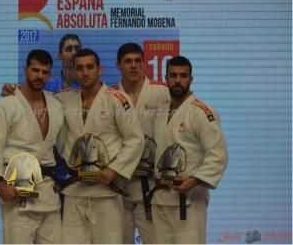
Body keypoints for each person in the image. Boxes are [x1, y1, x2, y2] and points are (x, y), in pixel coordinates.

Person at [56, 48, 145, 243]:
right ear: (72, 72)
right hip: (74, 190)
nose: (85, 72)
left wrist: (113, 170)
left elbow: (135, 140)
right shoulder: (64, 99)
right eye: (79, 68)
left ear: (100, 69)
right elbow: (36, 99)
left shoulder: (117, 99)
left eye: (90, 67)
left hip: (106, 191)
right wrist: (14, 90)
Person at [0, 49, 64, 244]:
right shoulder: (5, 105)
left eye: (45, 72)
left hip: (48, 192)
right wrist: (0, 184)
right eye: (35, 70)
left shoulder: (55, 104)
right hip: (16, 189)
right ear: (25, 69)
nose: (39, 76)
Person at [151, 55, 228, 244]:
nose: (178, 81)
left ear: (191, 80)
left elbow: (218, 155)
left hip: (189, 201)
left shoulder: (201, 112)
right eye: (173, 75)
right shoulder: (160, 112)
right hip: (161, 199)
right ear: (166, 79)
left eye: (183, 76)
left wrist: (193, 182)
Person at [112, 43, 170, 244]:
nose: (133, 66)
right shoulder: (109, 96)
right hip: (119, 185)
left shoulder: (162, 93)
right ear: (118, 65)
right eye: (128, 61)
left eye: (138, 61)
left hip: (152, 184)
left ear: (145, 64)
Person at [3, 33, 82, 96]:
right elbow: (27, 90)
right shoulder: (48, 83)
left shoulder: (89, 83)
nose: (74, 53)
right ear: (60, 56)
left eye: (77, 49)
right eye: (69, 49)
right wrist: (11, 89)